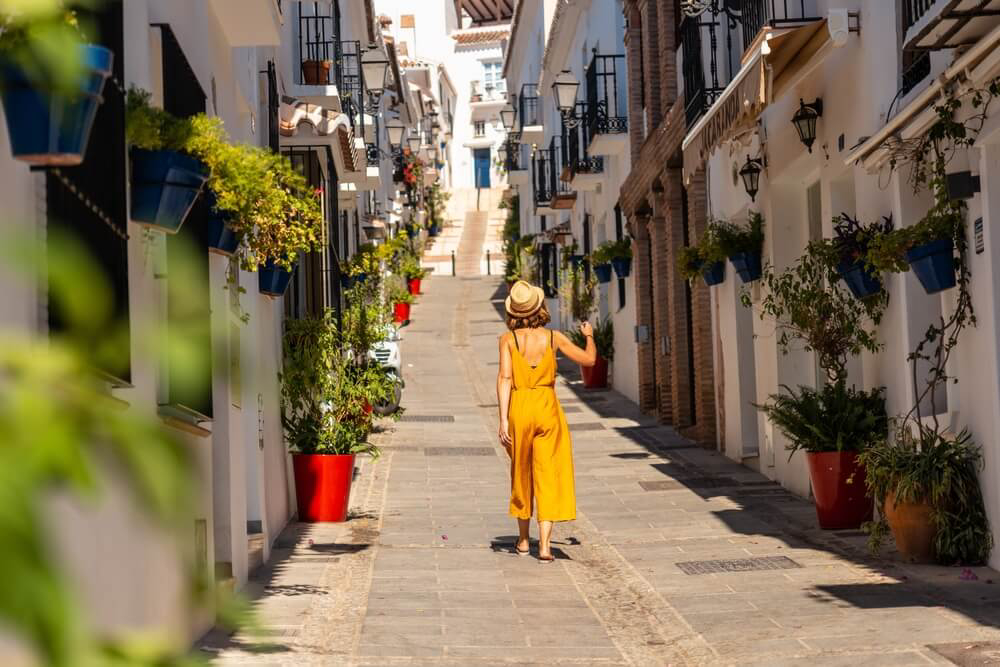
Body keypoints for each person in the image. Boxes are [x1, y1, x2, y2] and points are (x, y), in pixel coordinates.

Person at [496, 280, 597, 563]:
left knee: (521, 472)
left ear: (514, 312)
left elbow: (504, 378)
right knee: (548, 472)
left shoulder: (508, 340)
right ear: (539, 307)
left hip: (519, 407)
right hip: (547, 407)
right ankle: (546, 546)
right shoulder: (554, 338)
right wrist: (589, 335)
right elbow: (589, 361)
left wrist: (503, 420)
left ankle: (524, 541)